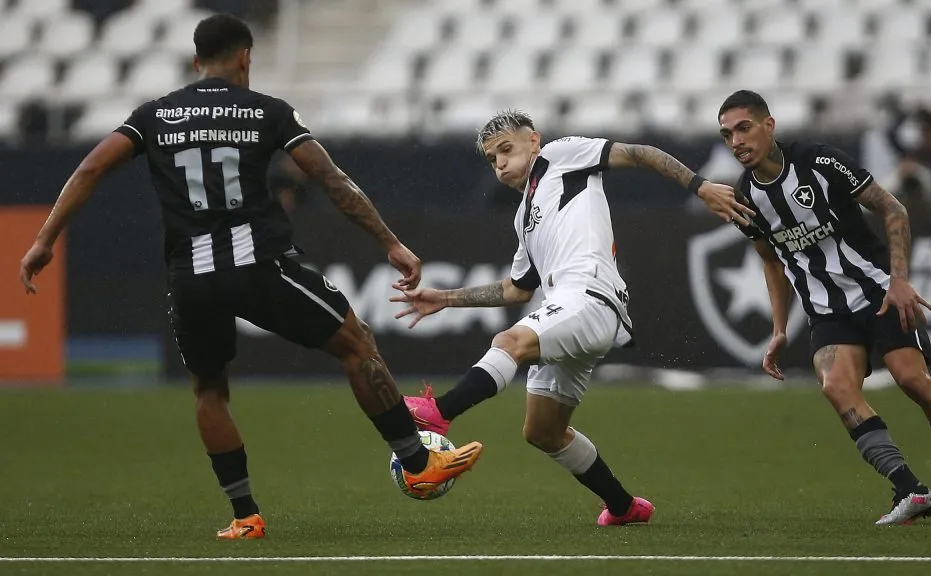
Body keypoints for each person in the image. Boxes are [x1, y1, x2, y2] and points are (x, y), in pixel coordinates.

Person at [18, 14, 482, 540]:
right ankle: (417, 464)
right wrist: (390, 242)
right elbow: (331, 179)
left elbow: (89, 169)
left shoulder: (155, 115)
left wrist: (43, 240)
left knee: (209, 391)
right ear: (246, 57)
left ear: (196, 62)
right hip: (257, 264)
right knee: (357, 344)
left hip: (190, 276)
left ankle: (245, 515)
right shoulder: (267, 111)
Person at [391, 110, 753, 526]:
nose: (501, 163)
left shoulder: (561, 156)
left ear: (534, 140)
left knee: (509, 343)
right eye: (493, 159)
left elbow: (639, 153)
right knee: (542, 431)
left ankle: (441, 412)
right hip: (570, 308)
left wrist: (700, 185)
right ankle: (623, 507)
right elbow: (517, 289)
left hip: (590, 295)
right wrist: (446, 298)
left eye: (506, 149)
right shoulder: (523, 216)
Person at [716, 90, 931, 525]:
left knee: (912, 379)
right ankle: (910, 489)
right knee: (836, 387)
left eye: (744, 128)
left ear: (769, 126)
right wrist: (779, 328)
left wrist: (898, 281)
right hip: (827, 311)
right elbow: (770, 260)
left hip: (878, 291)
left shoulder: (819, 162)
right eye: (727, 135)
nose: (736, 141)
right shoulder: (744, 200)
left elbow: (892, 209)